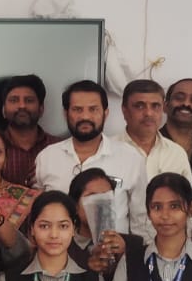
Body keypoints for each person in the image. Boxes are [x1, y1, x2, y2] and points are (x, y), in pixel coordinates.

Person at [32, 80, 149, 237]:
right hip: (57, 249)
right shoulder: (47, 157)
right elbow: (37, 212)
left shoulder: (130, 158)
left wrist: (135, 249)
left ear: (106, 113)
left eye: (93, 109)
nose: (85, 116)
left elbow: (141, 219)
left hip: (112, 249)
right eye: (77, 109)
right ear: (66, 113)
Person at [116, 79, 192, 185]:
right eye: (140, 106)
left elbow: (185, 194)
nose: (148, 113)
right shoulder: (107, 150)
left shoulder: (176, 154)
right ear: (124, 110)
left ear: (163, 109)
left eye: (155, 106)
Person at [0, 74, 59, 187]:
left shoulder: (58, 148)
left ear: (41, 109)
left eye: (29, 100)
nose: (22, 106)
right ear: (3, 110)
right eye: (14, 100)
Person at [68, 168, 126, 275]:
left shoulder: (131, 244)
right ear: (75, 206)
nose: (100, 204)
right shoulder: (63, 246)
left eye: (106, 197)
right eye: (92, 197)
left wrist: (123, 256)